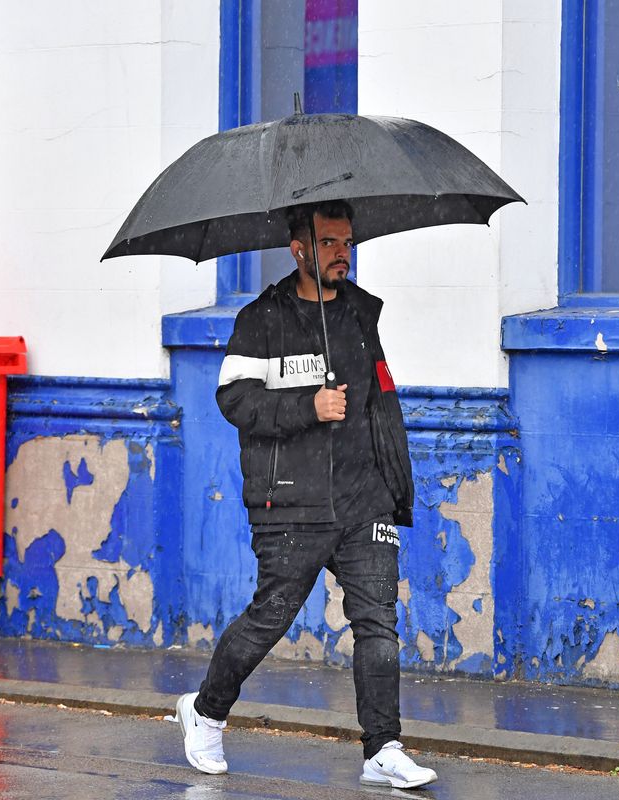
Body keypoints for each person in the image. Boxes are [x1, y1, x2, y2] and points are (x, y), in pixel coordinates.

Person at [173, 200, 437, 790]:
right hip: (291, 501)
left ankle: (382, 747)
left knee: (378, 624)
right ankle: (207, 711)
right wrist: (307, 407)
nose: (344, 252)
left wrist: (394, 485)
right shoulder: (260, 320)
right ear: (299, 250)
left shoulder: (362, 316)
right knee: (271, 617)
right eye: (331, 243)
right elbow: (234, 400)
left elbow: (380, 405)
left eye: (348, 242)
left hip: (363, 499)